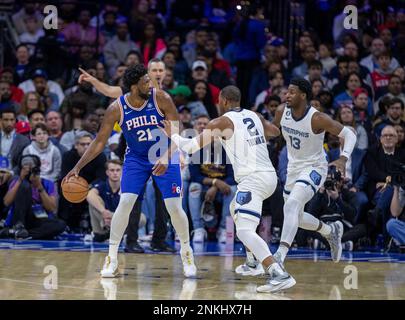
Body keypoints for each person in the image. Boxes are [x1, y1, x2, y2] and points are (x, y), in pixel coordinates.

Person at [64, 64, 196, 278]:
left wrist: (167, 155)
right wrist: (77, 167)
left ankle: (187, 251)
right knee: (125, 203)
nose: (150, 83)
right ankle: (112, 257)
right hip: (136, 158)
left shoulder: (161, 98)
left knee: (173, 207)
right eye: (145, 81)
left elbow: (178, 131)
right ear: (134, 87)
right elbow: (98, 142)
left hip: (165, 152)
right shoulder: (116, 108)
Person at [160, 85, 295, 293]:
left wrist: (174, 134)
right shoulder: (254, 115)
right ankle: (251, 263)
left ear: (223, 101)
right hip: (269, 177)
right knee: (234, 209)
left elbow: (190, 148)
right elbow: (275, 132)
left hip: (253, 180)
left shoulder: (221, 122)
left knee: (243, 230)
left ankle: (278, 272)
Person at [271, 78, 357, 276]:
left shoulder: (317, 118)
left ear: (303, 95)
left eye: (292, 92)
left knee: (292, 206)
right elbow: (274, 132)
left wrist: (343, 159)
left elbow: (349, 135)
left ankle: (279, 257)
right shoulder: (281, 111)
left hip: (315, 167)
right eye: (287, 92)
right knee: (296, 216)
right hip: (293, 168)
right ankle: (330, 231)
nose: (287, 95)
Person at [1, 154, 66, 240]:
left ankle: (21, 234)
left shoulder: (48, 184)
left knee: (60, 225)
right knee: (24, 186)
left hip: (39, 218)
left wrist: (39, 187)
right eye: (25, 166)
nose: (28, 169)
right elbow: (6, 202)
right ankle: (18, 228)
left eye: (31, 166)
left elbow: (51, 208)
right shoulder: (17, 182)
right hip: (19, 218)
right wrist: (20, 180)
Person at [87, 159, 143, 252]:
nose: (115, 173)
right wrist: (104, 211)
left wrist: (114, 217)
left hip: (118, 219)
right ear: (107, 172)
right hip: (103, 222)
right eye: (112, 170)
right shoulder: (102, 184)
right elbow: (89, 195)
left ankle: (118, 233)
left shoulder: (127, 186)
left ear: (122, 171)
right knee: (93, 201)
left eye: (118, 170)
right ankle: (102, 232)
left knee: (141, 218)